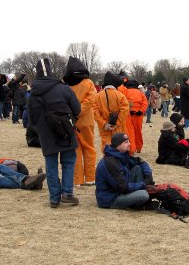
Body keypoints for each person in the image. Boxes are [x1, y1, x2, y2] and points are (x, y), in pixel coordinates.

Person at [29, 58, 81, 208]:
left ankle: (54, 198)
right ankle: (67, 193)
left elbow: (30, 120)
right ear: (51, 70)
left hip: (46, 134)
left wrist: (40, 130)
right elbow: (77, 109)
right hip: (66, 130)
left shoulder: (33, 94)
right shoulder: (64, 88)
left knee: (51, 165)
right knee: (69, 162)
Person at [95, 132, 155, 209]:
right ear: (118, 145)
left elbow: (140, 162)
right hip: (111, 199)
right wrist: (144, 184)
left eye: (128, 141)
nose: (129, 144)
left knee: (137, 168)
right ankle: (138, 203)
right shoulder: (111, 162)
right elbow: (123, 187)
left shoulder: (121, 154)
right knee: (144, 195)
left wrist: (148, 175)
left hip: (120, 190)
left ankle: (139, 200)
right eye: (126, 142)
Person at [63, 56, 97, 186]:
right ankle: (90, 178)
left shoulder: (65, 84)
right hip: (87, 121)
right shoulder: (88, 83)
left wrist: (72, 112)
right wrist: (81, 110)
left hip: (71, 121)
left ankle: (77, 180)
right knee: (89, 148)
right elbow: (91, 99)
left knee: (75, 150)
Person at [93, 71, 129, 152]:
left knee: (107, 149)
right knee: (120, 148)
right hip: (119, 129)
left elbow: (95, 112)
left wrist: (104, 124)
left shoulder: (97, 96)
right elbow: (125, 110)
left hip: (105, 129)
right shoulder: (120, 95)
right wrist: (117, 123)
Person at [125, 80, 148, 153]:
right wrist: (141, 111)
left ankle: (131, 148)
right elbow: (145, 103)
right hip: (138, 115)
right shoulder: (140, 93)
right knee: (138, 131)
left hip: (128, 114)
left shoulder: (125, 92)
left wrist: (128, 111)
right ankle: (138, 148)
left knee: (129, 131)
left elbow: (123, 102)